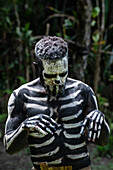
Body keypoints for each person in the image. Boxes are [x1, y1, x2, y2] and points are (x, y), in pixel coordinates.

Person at [4, 36, 110, 170]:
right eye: (50, 75)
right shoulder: (22, 96)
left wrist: (100, 118)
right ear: (37, 68)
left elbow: (103, 141)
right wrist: (25, 127)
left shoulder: (83, 91)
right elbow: (9, 148)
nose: (58, 80)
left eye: (63, 73)